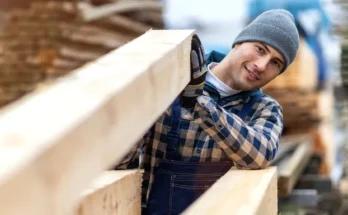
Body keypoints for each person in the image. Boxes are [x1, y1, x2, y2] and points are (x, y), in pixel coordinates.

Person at [116, 9, 299, 215]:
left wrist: (197, 100)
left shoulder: (265, 109)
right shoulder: (172, 88)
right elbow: (118, 162)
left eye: (276, 63)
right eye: (260, 49)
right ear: (238, 42)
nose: (261, 65)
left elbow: (259, 155)